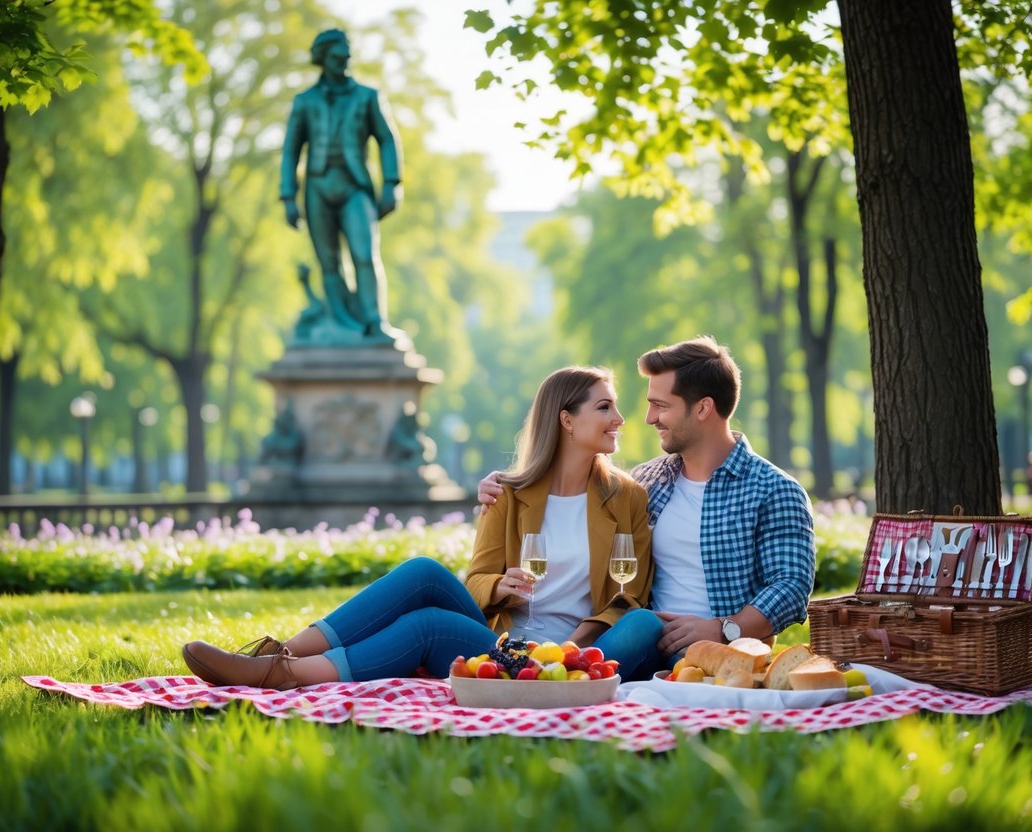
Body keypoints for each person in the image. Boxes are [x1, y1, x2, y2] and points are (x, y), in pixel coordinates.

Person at [181, 366, 658, 689]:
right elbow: (475, 581)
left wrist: (570, 648)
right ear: (566, 420)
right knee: (424, 573)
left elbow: (629, 595)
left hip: (578, 655)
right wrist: (499, 585)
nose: (619, 418)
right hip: (506, 644)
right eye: (605, 407)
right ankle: (276, 658)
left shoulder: (628, 497)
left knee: (641, 623)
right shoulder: (509, 493)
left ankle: (289, 673)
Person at [479, 337, 816, 680]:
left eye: (660, 406)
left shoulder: (773, 490)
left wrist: (723, 629)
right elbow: (577, 485)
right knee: (639, 624)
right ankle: (558, 676)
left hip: (719, 653)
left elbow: (791, 586)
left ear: (702, 409)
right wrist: (506, 482)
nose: (648, 417)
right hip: (640, 641)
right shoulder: (649, 481)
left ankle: (558, 679)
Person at [280, 28, 401, 341]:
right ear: (322, 59)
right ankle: (341, 323)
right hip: (317, 188)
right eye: (336, 57)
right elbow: (291, 149)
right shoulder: (305, 101)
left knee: (364, 254)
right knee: (328, 262)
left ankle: (375, 321)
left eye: (346, 56)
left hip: (354, 186)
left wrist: (391, 183)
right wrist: (288, 196)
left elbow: (387, 139)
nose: (342, 62)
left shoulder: (367, 96)